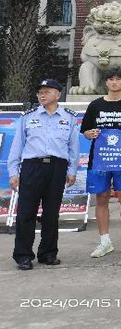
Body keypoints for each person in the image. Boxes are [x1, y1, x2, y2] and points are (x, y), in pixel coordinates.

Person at [7, 79, 79, 270]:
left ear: (58, 94)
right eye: (40, 92)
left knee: (51, 213)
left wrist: (72, 171)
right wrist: (13, 172)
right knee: (26, 212)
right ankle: (23, 255)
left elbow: (73, 147)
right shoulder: (28, 117)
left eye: (47, 91)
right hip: (32, 167)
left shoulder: (69, 118)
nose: (42, 95)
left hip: (57, 168)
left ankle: (48, 253)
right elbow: (17, 146)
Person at [82, 68, 121, 257]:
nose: (114, 82)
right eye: (111, 79)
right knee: (101, 197)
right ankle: (104, 241)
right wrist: (89, 133)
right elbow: (85, 131)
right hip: (99, 159)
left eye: (118, 79)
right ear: (106, 82)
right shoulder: (95, 105)